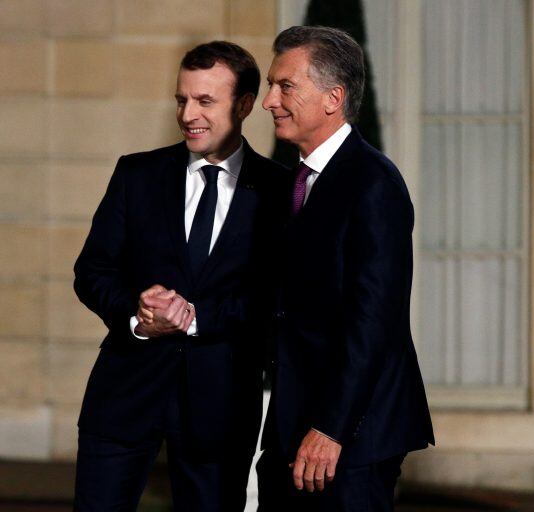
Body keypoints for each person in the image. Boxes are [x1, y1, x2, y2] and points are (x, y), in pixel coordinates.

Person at [72, 41, 287, 511]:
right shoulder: (137, 173)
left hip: (221, 402)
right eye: (181, 99)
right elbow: (92, 270)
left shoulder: (279, 191)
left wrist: (194, 318)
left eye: (205, 100)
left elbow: (277, 297)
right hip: (125, 392)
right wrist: (136, 312)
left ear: (245, 104)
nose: (188, 113)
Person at [256, 25, 434, 512]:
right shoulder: (296, 180)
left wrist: (331, 426)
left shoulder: (373, 182)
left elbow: (373, 320)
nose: (269, 100)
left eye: (285, 86)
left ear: (333, 97)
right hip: (295, 421)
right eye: (272, 85)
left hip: (351, 435)